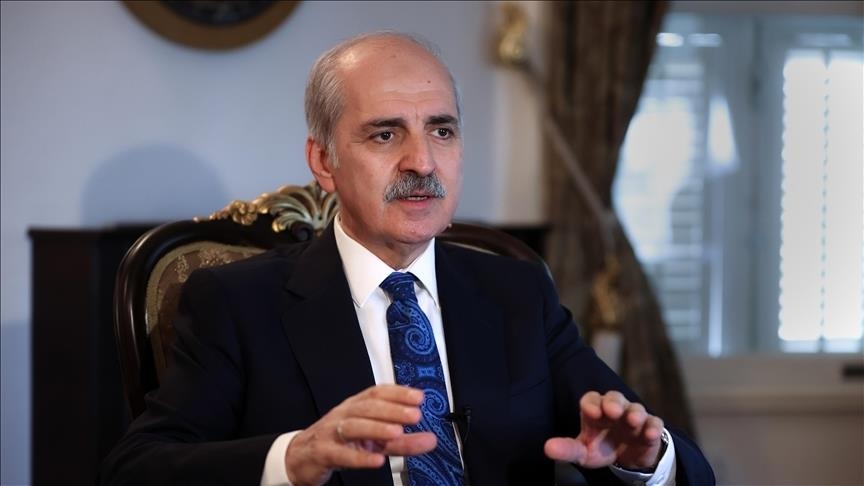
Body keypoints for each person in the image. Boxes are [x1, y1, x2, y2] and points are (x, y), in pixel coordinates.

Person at [101, 31, 714, 486]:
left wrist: (645, 461)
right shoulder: (237, 303)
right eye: (385, 133)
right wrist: (295, 457)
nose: (422, 162)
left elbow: (676, 459)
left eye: (442, 130)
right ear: (324, 162)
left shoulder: (517, 293)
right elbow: (136, 470)